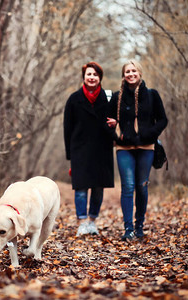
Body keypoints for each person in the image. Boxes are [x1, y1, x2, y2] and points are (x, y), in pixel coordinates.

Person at [106, 60, 168, 240]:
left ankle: (139, 226)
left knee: (141, 186)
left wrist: (149, 134)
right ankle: (128, 229)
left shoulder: (152, 95)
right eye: (127, 71)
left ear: (139, 73)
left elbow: (163, 120)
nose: (131, 74)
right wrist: (117, 135)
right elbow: (107, 122)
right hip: (124, 148)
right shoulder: (117, 97)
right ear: (123, 75)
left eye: (134, 71)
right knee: (128, 186)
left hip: (146, 147)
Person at [63, 62, 114, 236]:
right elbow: (67, 128)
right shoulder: (74, 99)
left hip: (102, 149)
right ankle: (82, 222)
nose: (91, 77)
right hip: (80, 150)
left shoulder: (108, 97)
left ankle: (92, 221)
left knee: (98, 188)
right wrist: (70, 154)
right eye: (88, 74)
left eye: (95, 75)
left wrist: (115, 124)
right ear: (84, 77)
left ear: (100, 78)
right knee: (81, 188)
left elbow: (115, 119)